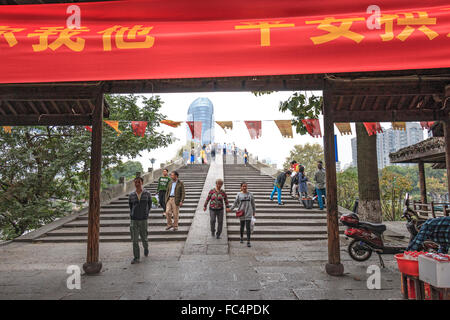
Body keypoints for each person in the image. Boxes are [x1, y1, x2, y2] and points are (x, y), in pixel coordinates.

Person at [128, 177, 152, 264]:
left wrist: (146, 213)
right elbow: (131, 206)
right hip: (134, 220)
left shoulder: (147, 193)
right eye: (135, 182)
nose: (137, 184)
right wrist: (132, 214)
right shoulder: (131, 195)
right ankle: (136, 257)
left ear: (142, 182)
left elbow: (149, 204)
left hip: (143, 219)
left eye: (138, 182)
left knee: (144, 238)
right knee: (134, 240)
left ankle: (146, 248)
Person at [228, 182, 256, 247]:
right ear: (241, 187)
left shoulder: (250, 194)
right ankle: (241, 237)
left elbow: (253, 204)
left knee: (248, 227)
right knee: (242, 226)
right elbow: (235, 203)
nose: (244, 187)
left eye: (245, 186)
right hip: (241, 212)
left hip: (249, 212)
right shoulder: (239, 194)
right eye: (243, 186)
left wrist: (254, 212)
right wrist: (230, 209)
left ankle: (248, 241)